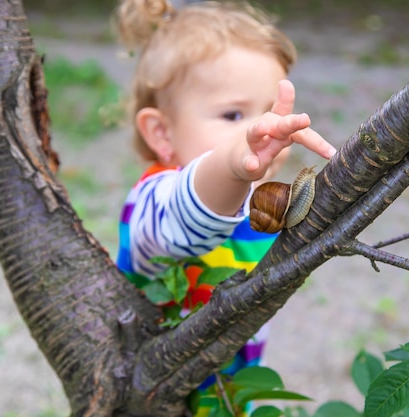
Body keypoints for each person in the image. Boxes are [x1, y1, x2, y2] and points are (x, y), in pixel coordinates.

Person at [114, 0, 336, 414]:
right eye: (233, 114)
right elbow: (185, 220)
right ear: (162, 133)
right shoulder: (151, 201)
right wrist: (231, 164)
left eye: (269, 112)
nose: (259, 130)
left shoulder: (257, 201)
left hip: (232, 396)